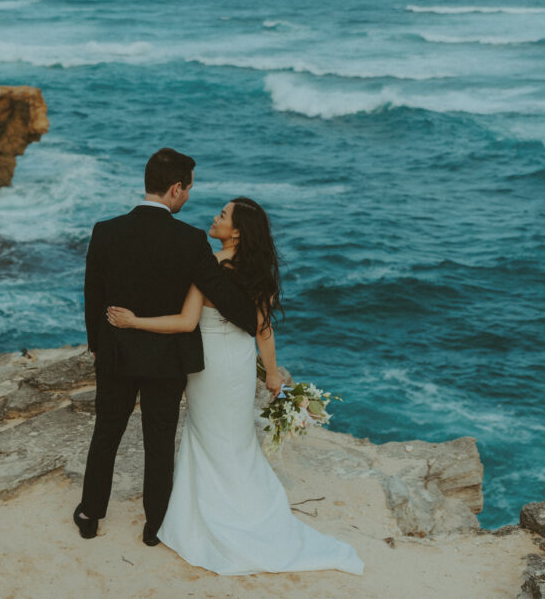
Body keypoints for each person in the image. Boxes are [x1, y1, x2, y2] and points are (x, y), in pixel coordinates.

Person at [106, 197, 364, 576]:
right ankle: (249, 509)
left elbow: (185, 322)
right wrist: (272, 374)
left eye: (223, 215)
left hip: (209, 366)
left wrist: (134, 322)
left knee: (209, 437)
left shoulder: (209, 264)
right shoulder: (259, 270)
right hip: (239, 365)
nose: (215, 217)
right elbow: (263, 330)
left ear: (237, 232)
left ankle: (216, 515)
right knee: (235, 439)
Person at [76, 148, 257, 547]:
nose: (188, 197)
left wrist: (97, 345)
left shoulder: (105, 230)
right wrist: (256, 315)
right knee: (159, 440)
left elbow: (92, 294)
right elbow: (221, 292)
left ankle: (90, 513)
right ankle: (154, 525)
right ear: (176, 188)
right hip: (166, 358)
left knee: (106, 433)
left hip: (116, 354)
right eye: (188, 189)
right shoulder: (190, 240)